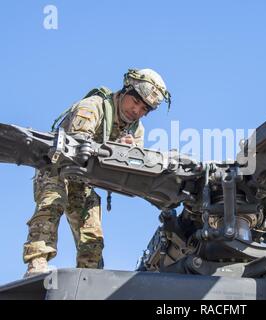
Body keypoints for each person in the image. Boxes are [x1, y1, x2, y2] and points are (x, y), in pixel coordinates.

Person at [23, 68, 171, 277]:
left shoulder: (136, 130)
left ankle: (89, 278)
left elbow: (134, 169)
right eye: (135, 102)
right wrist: (113, 148)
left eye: (144, 109)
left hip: (83, 180)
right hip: (56, 169)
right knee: (52, 204)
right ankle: (37, 264)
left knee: (92, 233)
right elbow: (76, 147)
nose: (136, 110)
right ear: (125, 91)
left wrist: (127, 153)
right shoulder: (93, 107)